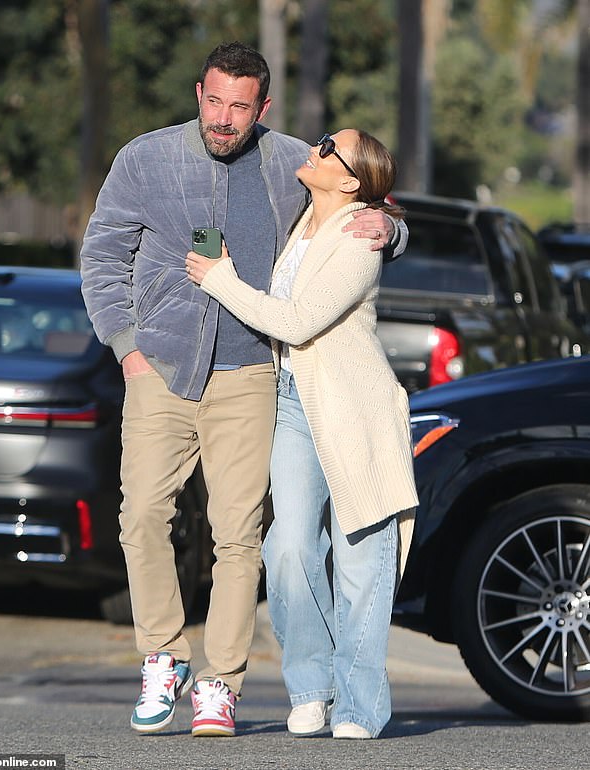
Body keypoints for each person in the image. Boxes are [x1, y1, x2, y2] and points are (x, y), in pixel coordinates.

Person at [80, 41, 408, 738]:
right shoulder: (145, 158)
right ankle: (163, 656)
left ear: (263, 107)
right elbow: (103, 254)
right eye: (214, 100)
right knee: (142, 516)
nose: (223, 118)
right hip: (159, 370)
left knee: (240, 536)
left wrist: (393, 227)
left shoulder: (291, 163)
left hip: (251, 375)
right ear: (198, 93)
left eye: (239, 106)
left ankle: (220, 682)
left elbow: (361, 208)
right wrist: (127, 348)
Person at [185, 128, 418, 740]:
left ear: (350, 180)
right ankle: (312, 685)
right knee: (287, 548)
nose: (315, 147)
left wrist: (219, 278)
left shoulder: (359, 236)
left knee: (361, 556)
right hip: (292, 398)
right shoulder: (301, 211)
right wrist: (397, 223)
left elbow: (298, 320)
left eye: (329, 146)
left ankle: (359, 705)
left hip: (353, 405)